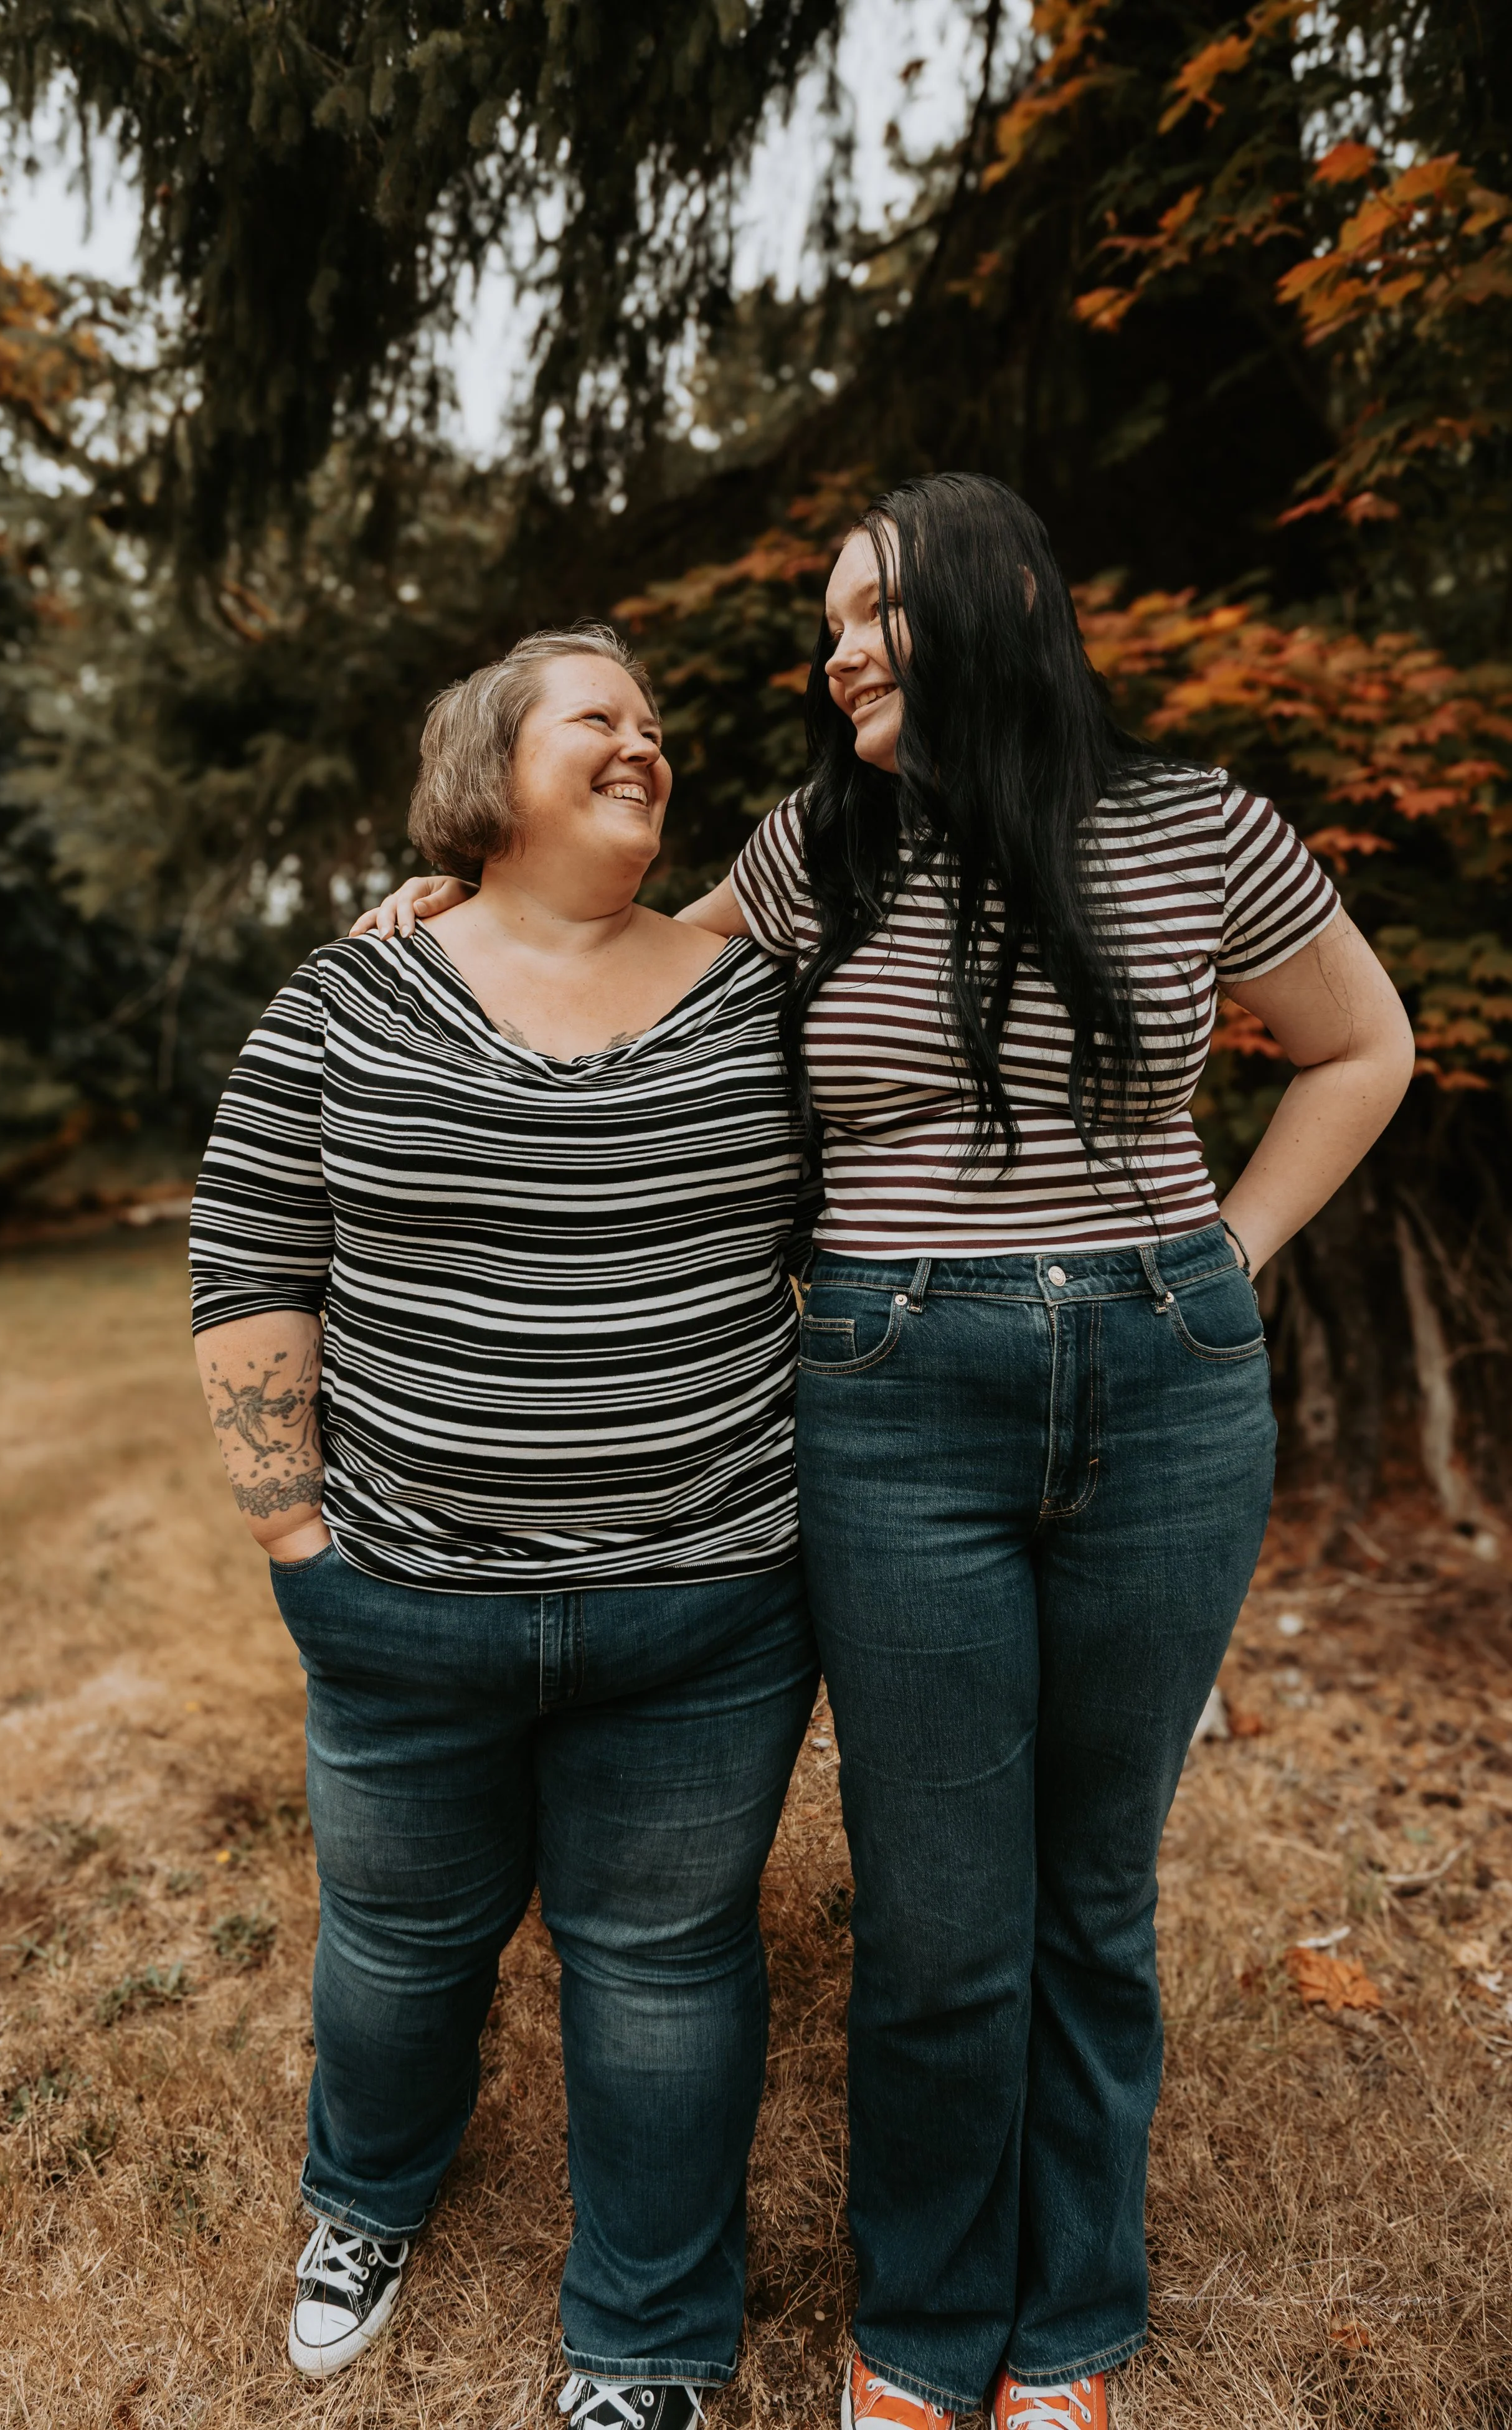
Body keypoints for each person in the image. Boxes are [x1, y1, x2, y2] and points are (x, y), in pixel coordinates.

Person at [367, 476, 1415, 2430]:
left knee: (1090, 1897)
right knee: (940, 1916)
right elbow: (619, 978)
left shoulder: (1197, 826)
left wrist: (1228, 1253)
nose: (834, 644)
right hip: (889, 1394)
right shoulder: (811, 851)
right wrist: (464, 900)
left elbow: (1362, 1045)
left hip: (1163, 1384)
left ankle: (1071, 2326)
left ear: (997, 596)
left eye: (870, 607)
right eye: (827, 616)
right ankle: (923, 2332)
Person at [189, 626, 818, 2426]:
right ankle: (365, 2202)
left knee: (664, 1967)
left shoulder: (753, 996)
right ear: (486, 764)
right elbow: (250, 1253)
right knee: (398, 1949)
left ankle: (645, 2333)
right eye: (596, 717)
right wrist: (294, 1537)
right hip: (399, 1600)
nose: (646, 742)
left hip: (705, 1610)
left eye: (656, 723)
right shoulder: (346, 993)